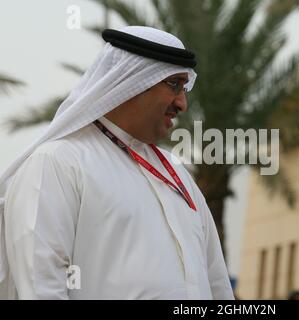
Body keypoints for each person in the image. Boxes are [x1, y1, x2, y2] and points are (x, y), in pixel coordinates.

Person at [0, 26, 234, 300]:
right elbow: (41, 287)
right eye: (174, 85)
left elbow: (217, 283)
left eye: (184, 87)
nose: (182, 103)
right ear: (131, 80)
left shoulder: (178, 175)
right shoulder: (57, 164)